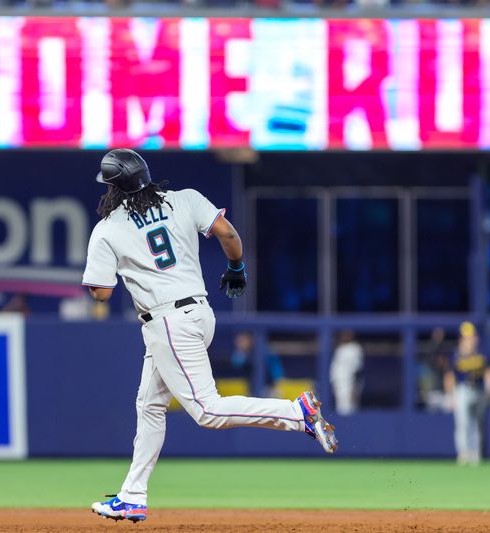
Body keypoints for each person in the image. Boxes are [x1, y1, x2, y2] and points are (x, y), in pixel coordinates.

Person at [84, 149, 337, 523]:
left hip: (167, 322)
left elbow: (101, 292)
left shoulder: (108, 228)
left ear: (113, 188)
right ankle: (132, 496)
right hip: (201, 314)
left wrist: (126, 266)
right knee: (150, 404)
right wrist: (236, 268)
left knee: (206, 411)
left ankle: (296, 413)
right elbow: (228, 233)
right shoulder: (185, 199)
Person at [444, 322, 490, 466]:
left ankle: (475, 453)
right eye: (467, 337)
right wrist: (450, 396)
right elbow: (450, 376)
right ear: (461, 338)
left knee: (478, 423)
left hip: (479, 390)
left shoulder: (482, 353)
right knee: (463, 423)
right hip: (463, 389)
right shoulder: (456, 355)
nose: (470, 339)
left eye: (472, 336)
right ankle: (463, 453)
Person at [329, 330, 363, 415]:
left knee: (349, 408)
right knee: (340, 408)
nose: (344, 336)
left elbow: (357, 369)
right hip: (338, 383)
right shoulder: (339, 348)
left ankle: (350, 427)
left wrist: (354, 386)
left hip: (349, 383)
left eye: (347, 334)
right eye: (343, 334)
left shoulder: (355, 348)